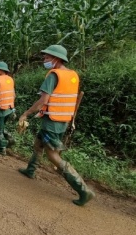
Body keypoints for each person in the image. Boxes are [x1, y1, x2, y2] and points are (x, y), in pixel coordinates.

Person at [18, 45, 95, 206]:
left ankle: (83, 190)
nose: (44, 60)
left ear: (56, 59)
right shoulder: (72, 75)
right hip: (63, 119)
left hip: (52, 121)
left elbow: (42, 102)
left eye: (47, 57)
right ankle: (30, 170)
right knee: (39, 143)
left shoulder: (53, 75)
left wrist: (26, 113)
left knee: (52, 155)